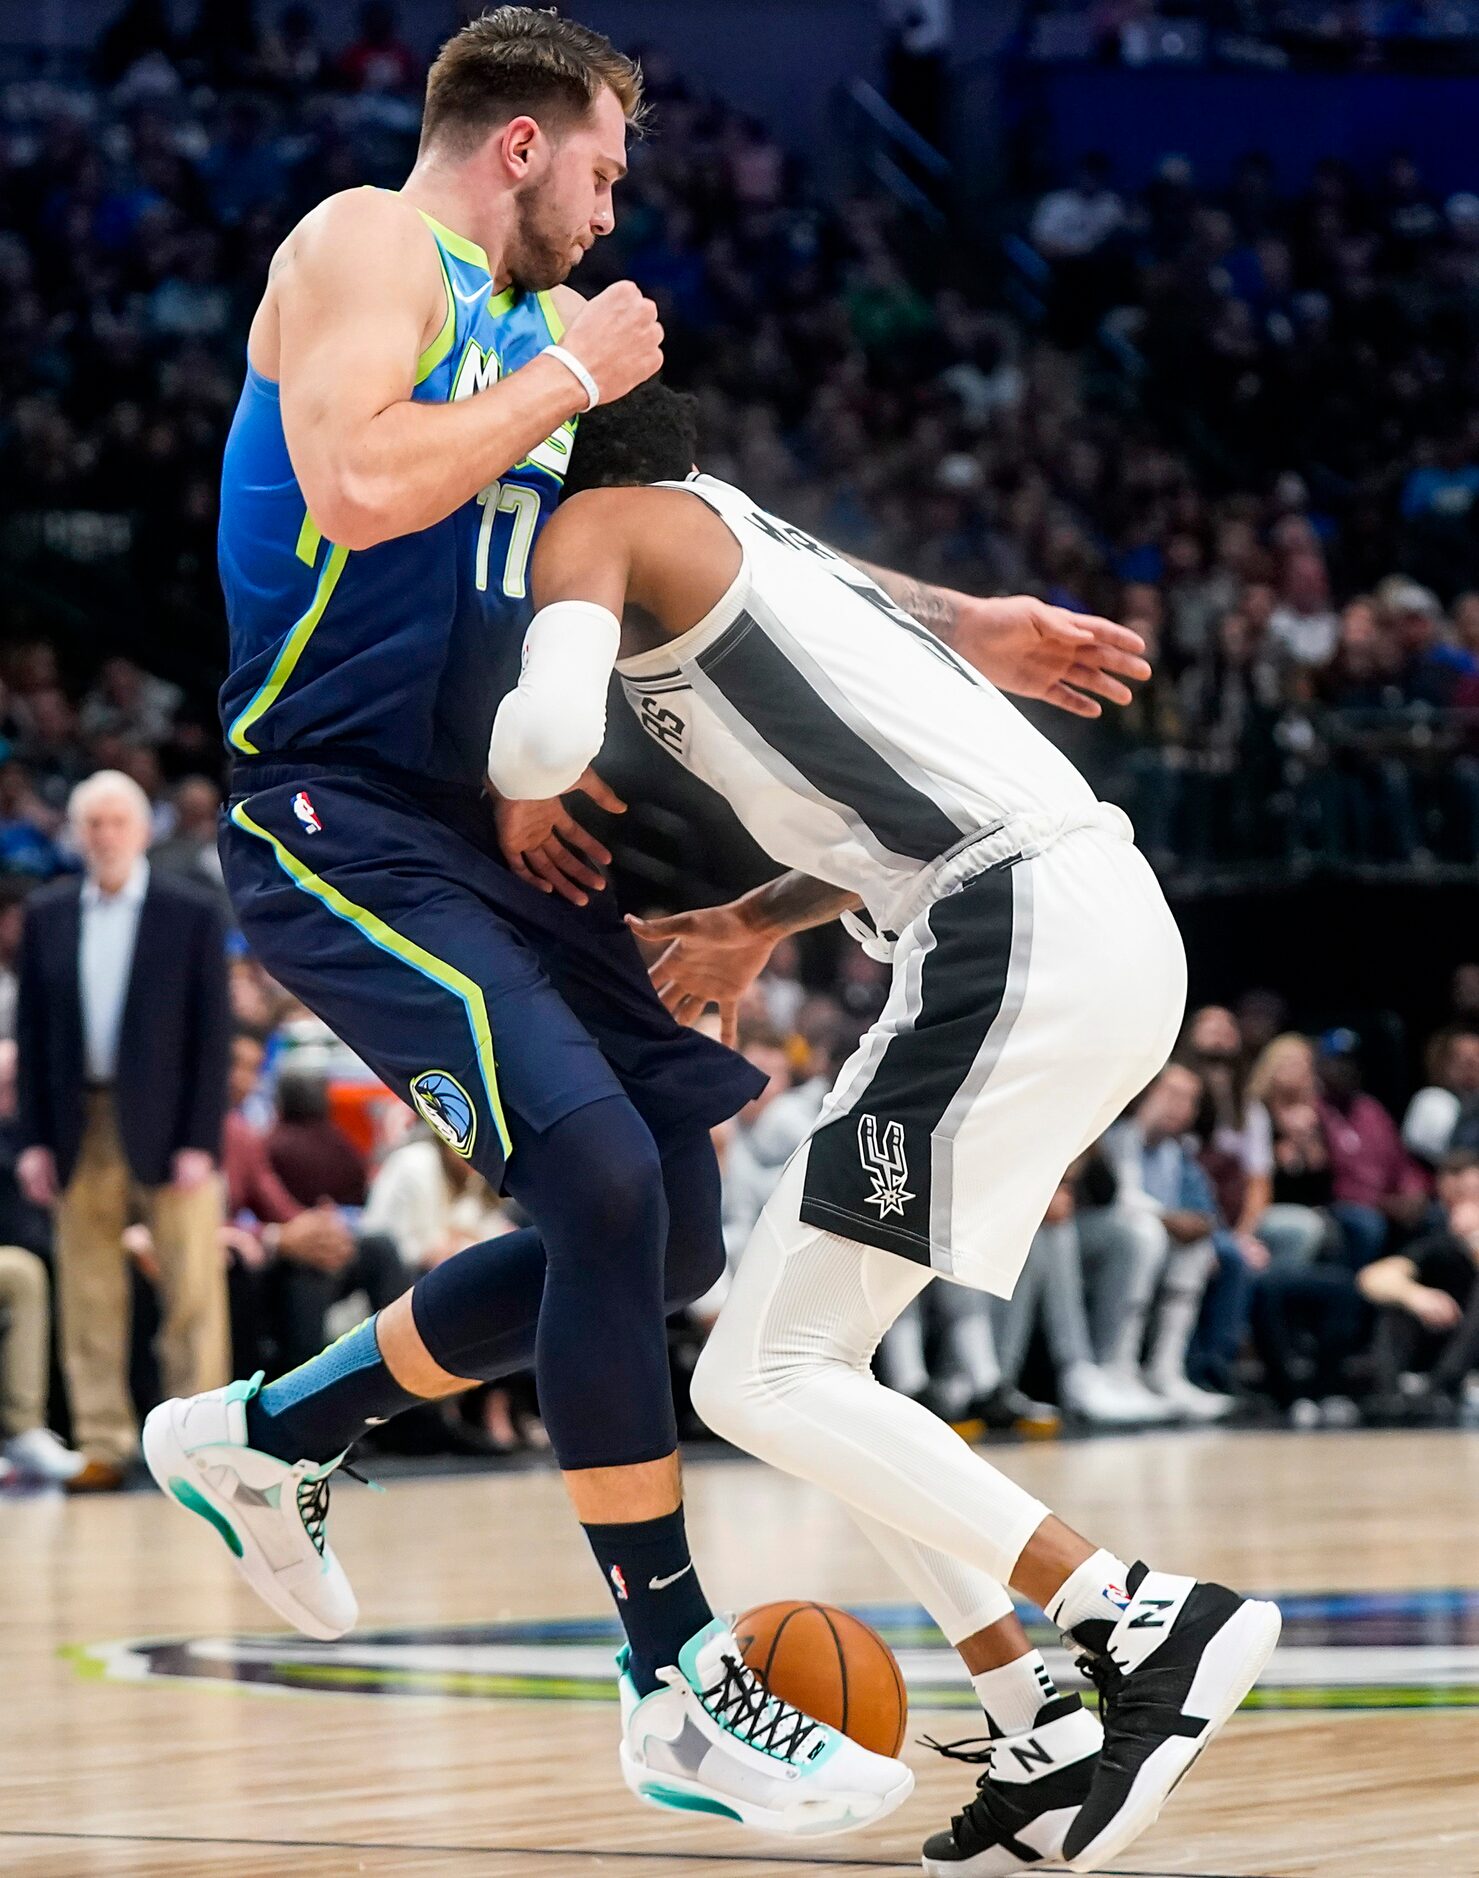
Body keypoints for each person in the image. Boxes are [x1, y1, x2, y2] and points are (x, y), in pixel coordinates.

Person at [142, 9, 910, 1833]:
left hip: (476, 827)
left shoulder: (527, 350)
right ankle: (673, 1681)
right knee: (603, 1185)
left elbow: (716, 549)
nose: (613, 204)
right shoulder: (364, 243)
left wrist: (962, 622)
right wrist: (563, 373)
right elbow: (354, 488)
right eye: (604, 165)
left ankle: (272, 1428)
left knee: (663, 1233)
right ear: (518, 144)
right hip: (325, 810)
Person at [484, 379, 1282, 1873]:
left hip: (1014, 929)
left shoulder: (596, 521)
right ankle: (1033, 1702)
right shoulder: (738, 530)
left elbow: (541, 737)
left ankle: (1138, 1614)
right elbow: (884, 791)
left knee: (757, 1372)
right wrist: (744, 918)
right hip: (1042, 921)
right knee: (812, 1363)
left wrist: (507, 785)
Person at [15, 769, 230, 1492]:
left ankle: (196, 1441)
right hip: (79, 1119)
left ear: (143, 831)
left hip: (172, 1126)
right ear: (77, 835)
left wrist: (203, 1138)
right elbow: (35, 1036)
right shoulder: (47, 915)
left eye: (117, 822)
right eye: (93, 824)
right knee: (88, 1292)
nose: (105, 836)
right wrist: (34, 1140)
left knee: (192, 1289)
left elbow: (213, 1033)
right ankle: (103, 1440)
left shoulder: (190, 911)